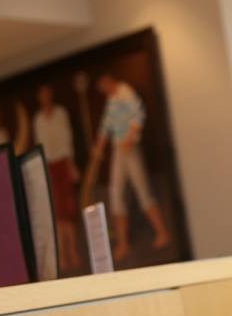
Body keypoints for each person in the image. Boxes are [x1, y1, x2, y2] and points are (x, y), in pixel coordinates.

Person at [89, 73, 171, 261]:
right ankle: (123, 243)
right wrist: (100, 146)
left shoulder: (126, 93)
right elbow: (106, 125)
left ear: (109, 82)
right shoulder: (112, 100)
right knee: (115, 193)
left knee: (142, 191)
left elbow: (138, 114)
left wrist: (130, 137)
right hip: (119, 148)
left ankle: (162, 232)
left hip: (129, 147)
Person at [32, 83, 83, 271]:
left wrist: (71, 163)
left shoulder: (60, 113)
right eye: (42, 94)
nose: (45, 97)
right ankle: (62, 254)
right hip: (50, 165)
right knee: (58, 211)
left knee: (69, 209)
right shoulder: (38, 119)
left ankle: (74, 251)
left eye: (47, 93)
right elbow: (39, 144)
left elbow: (66, 137)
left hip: (63, 161)